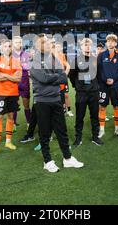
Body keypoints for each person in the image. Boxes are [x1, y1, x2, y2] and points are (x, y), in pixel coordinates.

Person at [30, 34, 84, 173]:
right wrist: (56, 77)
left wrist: (54, 77)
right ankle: (47, 161)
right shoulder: (34, 60)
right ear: (37, 45)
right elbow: (44, 78)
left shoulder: (54, 57)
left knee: (62, 131)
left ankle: (67, 158)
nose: (48, 44)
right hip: (42, 101)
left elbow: (63, 77)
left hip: (56, 99)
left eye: (48, 42)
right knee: (45, 132)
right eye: (44, 42)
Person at [0, 39, 22, 155]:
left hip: (13, 93)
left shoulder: (16, 61)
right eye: (5, 46)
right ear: (0, 48)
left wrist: (4, 74)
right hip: (1, 94)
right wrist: (10, 76)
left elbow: (18, 78)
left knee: (11, 118)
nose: (7, 48)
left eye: (9, 46)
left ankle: (8, 141)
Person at [69, 38, 103, 147]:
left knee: (94, 116)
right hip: (81, 93)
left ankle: (95, 137)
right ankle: (78, 138)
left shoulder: (95, 59)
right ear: (81, 46)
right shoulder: (76, 59)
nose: (87, 47)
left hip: (94, 92)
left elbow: (99, 74)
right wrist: (77, 86)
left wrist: (96, 86)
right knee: (79, 116)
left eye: (89, 45)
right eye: (85, 45)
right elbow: (71, 75)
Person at [97, 34, 118, 138]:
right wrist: (105, 79)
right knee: (102, 107)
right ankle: (102, 130)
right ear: (106, 43)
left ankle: (117, 129)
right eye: (109, 41)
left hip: (115, 86)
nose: (110, 43)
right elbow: (99, 70)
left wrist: (113, 79)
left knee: (116, 106)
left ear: (116, 43)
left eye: (113, 41)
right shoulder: (101, 55)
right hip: (103, 86)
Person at [12, 37, 32, 128]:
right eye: (16, 42)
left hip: (24, 81)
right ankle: (13, 123)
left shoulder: (26, 55)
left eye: (19, 42)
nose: (18, 44)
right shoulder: (9, 55)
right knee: (14, 104)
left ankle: (29, 123)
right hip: (13, 82)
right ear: (13, 43)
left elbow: (28, 68)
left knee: (26, 103)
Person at [54, 42, 74, 117]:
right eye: (56, 47)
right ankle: (60, 110)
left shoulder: (63, 56)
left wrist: (65, 74)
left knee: (65, 95)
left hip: (62, 79)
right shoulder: (51, 56)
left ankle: (68, 110)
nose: (58, 48)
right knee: (57, 95)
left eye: (59, 47)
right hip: (55, 79)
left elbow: (68, 66)